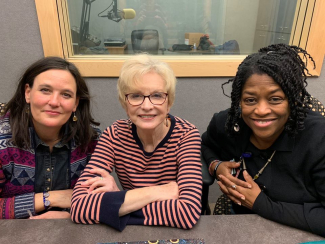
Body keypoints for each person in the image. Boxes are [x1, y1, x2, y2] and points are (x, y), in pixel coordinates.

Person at [201, 43, 325, 237]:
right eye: (250, 100)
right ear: (239, 101)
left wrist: (260, 203)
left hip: (300, 232)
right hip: (242, 225)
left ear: (292, 100)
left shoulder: (318, 138)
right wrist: (216, 167)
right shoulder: (228, 123)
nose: (261, 110)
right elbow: (206, 145)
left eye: (275, 99)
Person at [71, 54, 202, 231]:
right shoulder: (114, 135)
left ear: (168, 103)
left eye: (157, 95)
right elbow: (79, 206)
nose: (147, 106)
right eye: (136, 96)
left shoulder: (186, 135)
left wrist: (117, 201)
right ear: (125, 104)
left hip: (171, 233)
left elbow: (187, 213)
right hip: (129, 233)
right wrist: (161, 191)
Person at [0, 57, 101, 219]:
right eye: (45, 90)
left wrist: (69, 216)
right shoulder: (2, 141)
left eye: (66, 94)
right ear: (28, 93)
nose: (54, 102)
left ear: (75, 103)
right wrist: (51, 199)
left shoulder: (92, 140)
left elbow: (97, 201)